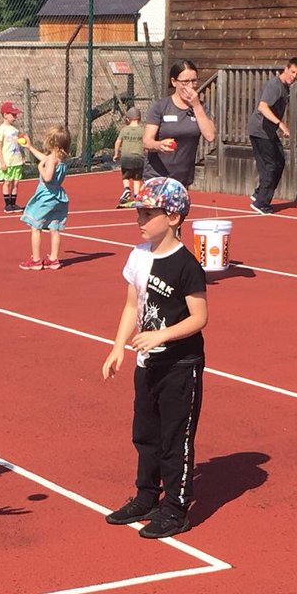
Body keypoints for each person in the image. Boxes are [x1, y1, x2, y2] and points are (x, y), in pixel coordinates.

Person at [101, 177, 207, 539]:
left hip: (180, 366)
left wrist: (162, 335)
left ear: (173, 217)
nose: (140, 220)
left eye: (148, 213)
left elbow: (199, 317)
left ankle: (176, 509)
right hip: (147, 364)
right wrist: (117, 346)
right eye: (139, 213)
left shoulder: (186, 265)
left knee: (175, 438)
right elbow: (132, 305)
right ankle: (146, 496)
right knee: (145, 434)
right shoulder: (138, 255)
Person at [143, 61, 215, 191]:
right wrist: (159, 145)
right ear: (174, 82)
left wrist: (196, 105)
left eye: (194, 81)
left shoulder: (201, 107)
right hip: (157, 176)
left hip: (182, 178)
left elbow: (210, 136)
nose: (190, 86)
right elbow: (147, 141)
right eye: (185, 82)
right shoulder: (161, 106)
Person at [247, 57, 297, 213]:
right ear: (286, 69)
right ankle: (261, 203)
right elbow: (262, 107)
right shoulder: (275, 86)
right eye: (292, 72)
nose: (294, 76)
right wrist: (280, 124)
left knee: (280, 161)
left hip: (269, 131)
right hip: (260, 130)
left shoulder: (285, 88)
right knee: (270, 166)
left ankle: (260, 193)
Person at [18, 125, 71, 271]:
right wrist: (30, 147)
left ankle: (36, 260)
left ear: (53, 143)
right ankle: (53, 259)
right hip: (58, 196)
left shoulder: (52, 159)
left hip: (46, 195)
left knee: (35, 226)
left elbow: (47, 177)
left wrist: (40, 168)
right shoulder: (61, 158)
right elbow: (45, 158)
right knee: (55, 227)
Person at [113, 107, 145, 208]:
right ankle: (137, 195)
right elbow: (146, 142)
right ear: (139, 119)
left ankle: (127, 188)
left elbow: (118, 141)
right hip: (139, 157)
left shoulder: (124, 130)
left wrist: (116, 154)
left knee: (126, 176)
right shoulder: (142, 130)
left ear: (128, 119)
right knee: (137, 178)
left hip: (126, 157)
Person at [0, 100, 24, 213]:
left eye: (16, 115)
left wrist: (22, 156)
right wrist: (2, 161)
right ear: (5, 115)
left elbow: (19, 144)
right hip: (7, 161)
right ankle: (7, 205)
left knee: (16, 183)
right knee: (7, 182)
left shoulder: (15, 130)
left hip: (17, 160)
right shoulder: (1, 129)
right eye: (13, 114)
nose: (15, 117)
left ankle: (13, 203)